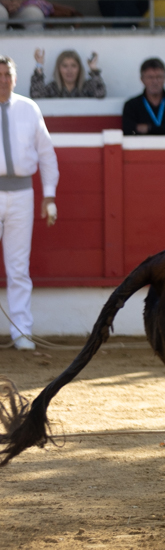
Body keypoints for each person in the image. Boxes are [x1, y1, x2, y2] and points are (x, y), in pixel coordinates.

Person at [0, 54, 58, 351]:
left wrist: (49, 194)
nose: (3, 80)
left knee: (18, 267)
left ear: (15, 77)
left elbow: (47, 154)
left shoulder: (29, 108)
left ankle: (21, 332)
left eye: (7, 74)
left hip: (23, 193)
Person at [122, 57, 165, 136]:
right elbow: (129, 132)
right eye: (150, 77)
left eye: (159, 77)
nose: (155, 82)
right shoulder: (131, 105)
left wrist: (148, 128)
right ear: (142, 79)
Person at [29, 48, 105, 98]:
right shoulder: (52, 88)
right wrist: (39, 66)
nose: (69, 70)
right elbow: (36, 94)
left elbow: (100, 93)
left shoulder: (86, 87)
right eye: (65, 66)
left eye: (73, 66)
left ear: (79, 68)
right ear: (59, 69)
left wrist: (94, 70)